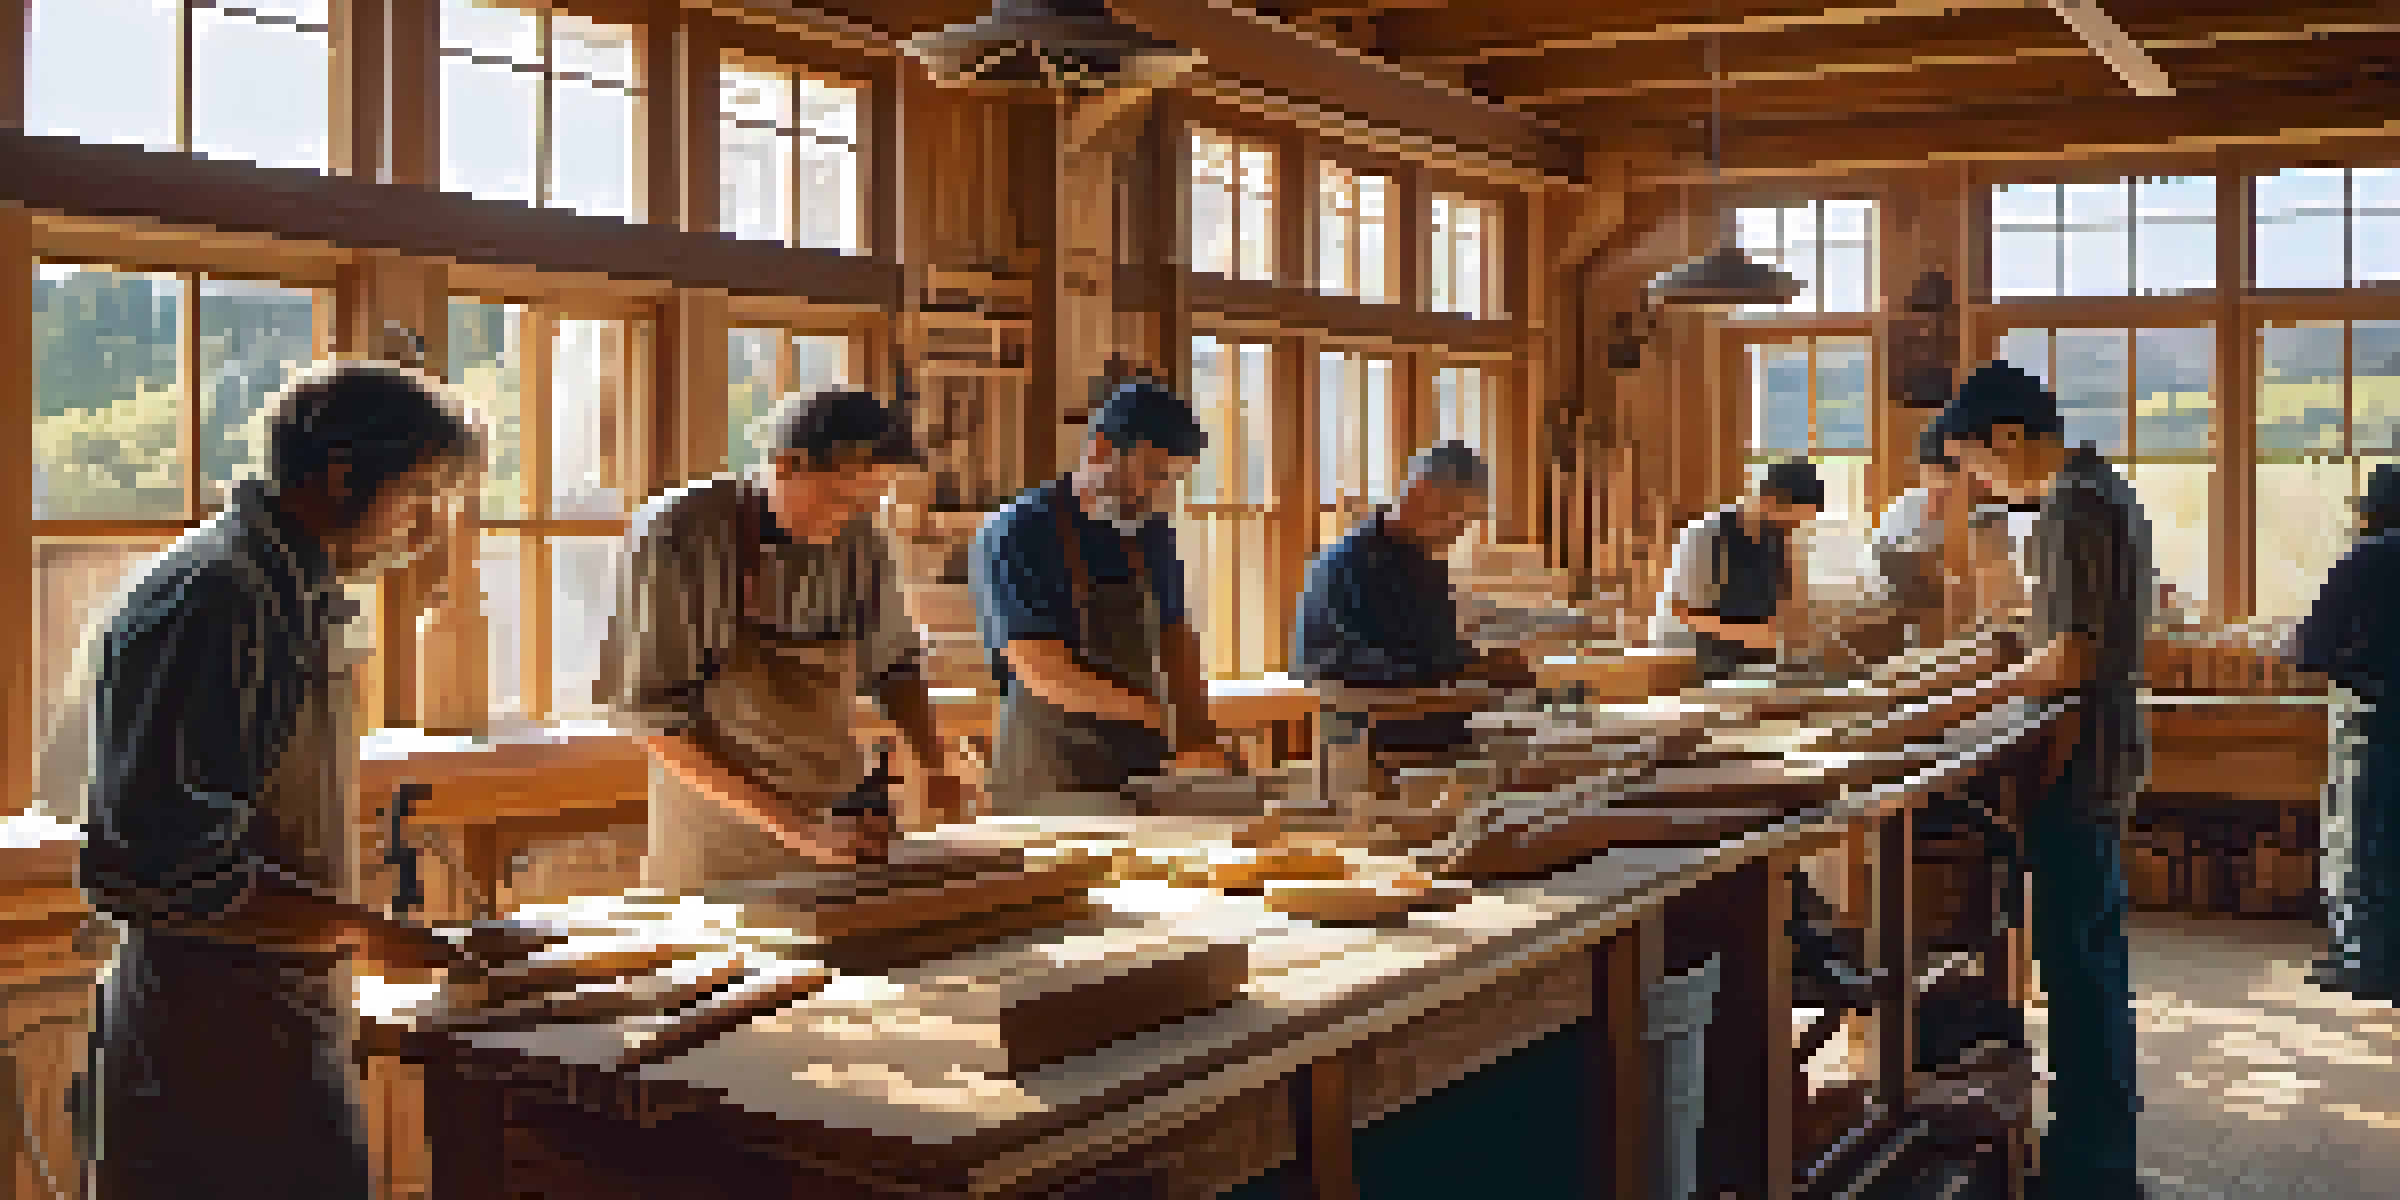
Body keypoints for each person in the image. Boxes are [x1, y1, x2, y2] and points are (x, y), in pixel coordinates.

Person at [78, 362, 481, 1200]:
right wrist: (373, 936)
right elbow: (175, 871)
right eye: (418, 494)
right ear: (340, 476)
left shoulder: (294, 585)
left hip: (276, 1014)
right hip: (210, 1041)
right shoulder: (223, 594)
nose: (428, 528)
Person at [1932, 359, 2154, 1200]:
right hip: (2097, 750)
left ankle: (2095, 1166)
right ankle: (2096, 1148)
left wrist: (1962, 701)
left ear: (2010, 437)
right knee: (2090, 955)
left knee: (2080, 963)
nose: (1980, 482)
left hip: (2082, 755)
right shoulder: (2100, 489)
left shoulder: (2072, 502)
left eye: (1977, 464)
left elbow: (2073, 656)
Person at [602, 387, 965, 892]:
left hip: (836, 824)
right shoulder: (679, 535)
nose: (849, 518)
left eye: (867, 502)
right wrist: (798, 830)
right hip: (720, 840)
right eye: (840, 499)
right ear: (786, 464)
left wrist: (934, 762)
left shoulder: (860, 536)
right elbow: (656, 723)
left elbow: (894, 663)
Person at [971, 379, 1233, 813]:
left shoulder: (1150, 533)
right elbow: (1040, 667)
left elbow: (1176, 638)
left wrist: (1199, 733)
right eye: (1152, 475)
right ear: (1101, 451)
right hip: (1050, 770)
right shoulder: (1017, 533)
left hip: (1141, 765)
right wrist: (1156, 715)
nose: (1158, 492)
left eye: (1172, 480)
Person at [1292, 441, 1534, 758]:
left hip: (1426, 717)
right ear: (1421, 493)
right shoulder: (1353, 563)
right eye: (1458, 519)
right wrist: (1480, 668)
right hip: (1374, 734)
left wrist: (1480, 661)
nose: (1460, 533)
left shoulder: (1421, 560)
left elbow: (1434, 647)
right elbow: (1394, 665)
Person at [2287, 462, 2400, 1001]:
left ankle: (2367, 962)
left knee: (2365, 842)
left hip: (2378, 719)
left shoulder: (2373, 555)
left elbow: (2310, 646)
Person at [1854, 427, 2027, 657]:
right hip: (1906, 625)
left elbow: (2006, 603)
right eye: (1933, 486)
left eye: (1948, 490)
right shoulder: (1904, 518)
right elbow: (1876, 584)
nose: (1937, 501)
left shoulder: (1994, 519)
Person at [1651, 458, 1825, 679]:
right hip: (1687, 658)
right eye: (1790, 521)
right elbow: (1681, 613)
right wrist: (1757, 635)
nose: (1793, 529)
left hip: (1748, 659)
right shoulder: (1707, 535)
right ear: (1768, 500)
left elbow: (1787, 614)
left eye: (1799, 523)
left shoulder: (1781, 541)